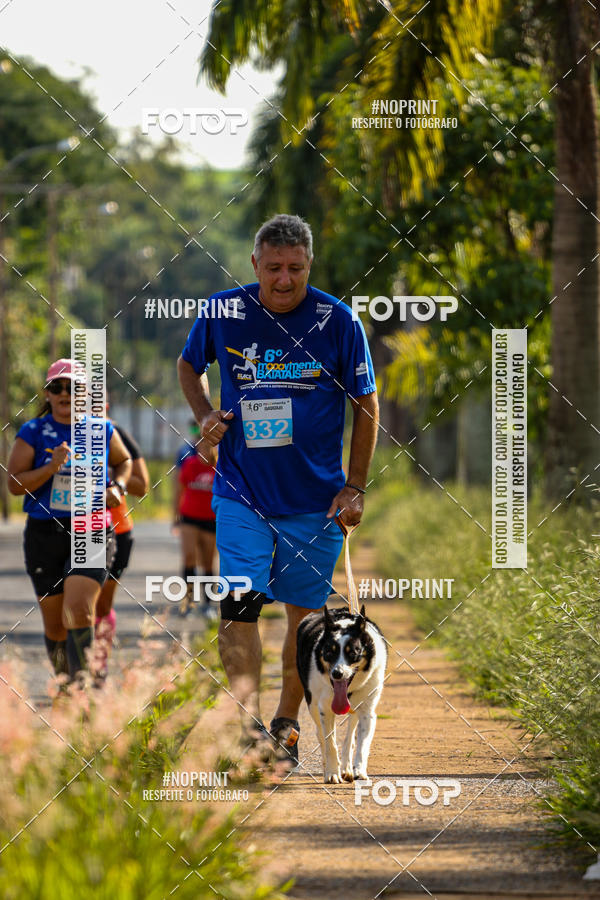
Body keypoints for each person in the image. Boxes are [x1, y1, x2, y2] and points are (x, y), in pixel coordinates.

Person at [177, 214, 379, 765]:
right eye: (273, 268)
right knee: (238, 607)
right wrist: (204, 416)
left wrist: (355, 486)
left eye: (295, 268)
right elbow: (188, 365)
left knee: (303, 620)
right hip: (241, 492)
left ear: (309, 265)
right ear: (255, 265)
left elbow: (365, 404)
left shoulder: (338, 321)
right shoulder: (224, 311)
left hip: (316, 503)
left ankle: (286, 726)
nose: (284, 279)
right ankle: (245, 727)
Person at [7, 359, 132, 685]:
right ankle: (65, 687)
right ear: (47, 394)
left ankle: (83, 692)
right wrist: (50, 467)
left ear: (84, 394)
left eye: (73, 387)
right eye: (57, 387)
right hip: (44, 533)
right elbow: (14, 484)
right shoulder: (32, 432)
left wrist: (117, 487)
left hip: (90, 527)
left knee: (79, 610)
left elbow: (124, 461)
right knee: (55, 625)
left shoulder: (101, 429)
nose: (65, 393)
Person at [94, 406, 150, 678]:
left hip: (115, 527)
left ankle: (98, 669)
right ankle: (74, 670)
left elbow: (142, 484)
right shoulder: (54, 430)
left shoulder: (116, 435)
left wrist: (115, 481)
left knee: (101, 604)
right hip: (68, 526)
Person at [174, 435, 218, 619]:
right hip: (189, 518)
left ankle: (208, 605)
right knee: (189, 558)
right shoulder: (190, 465)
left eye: (207, 446)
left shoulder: (220, 468)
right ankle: (188, 603)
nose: (203, 449)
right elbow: (179, 490)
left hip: (211, 520)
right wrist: (175, 517)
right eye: (200, 446)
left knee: (208, 563)